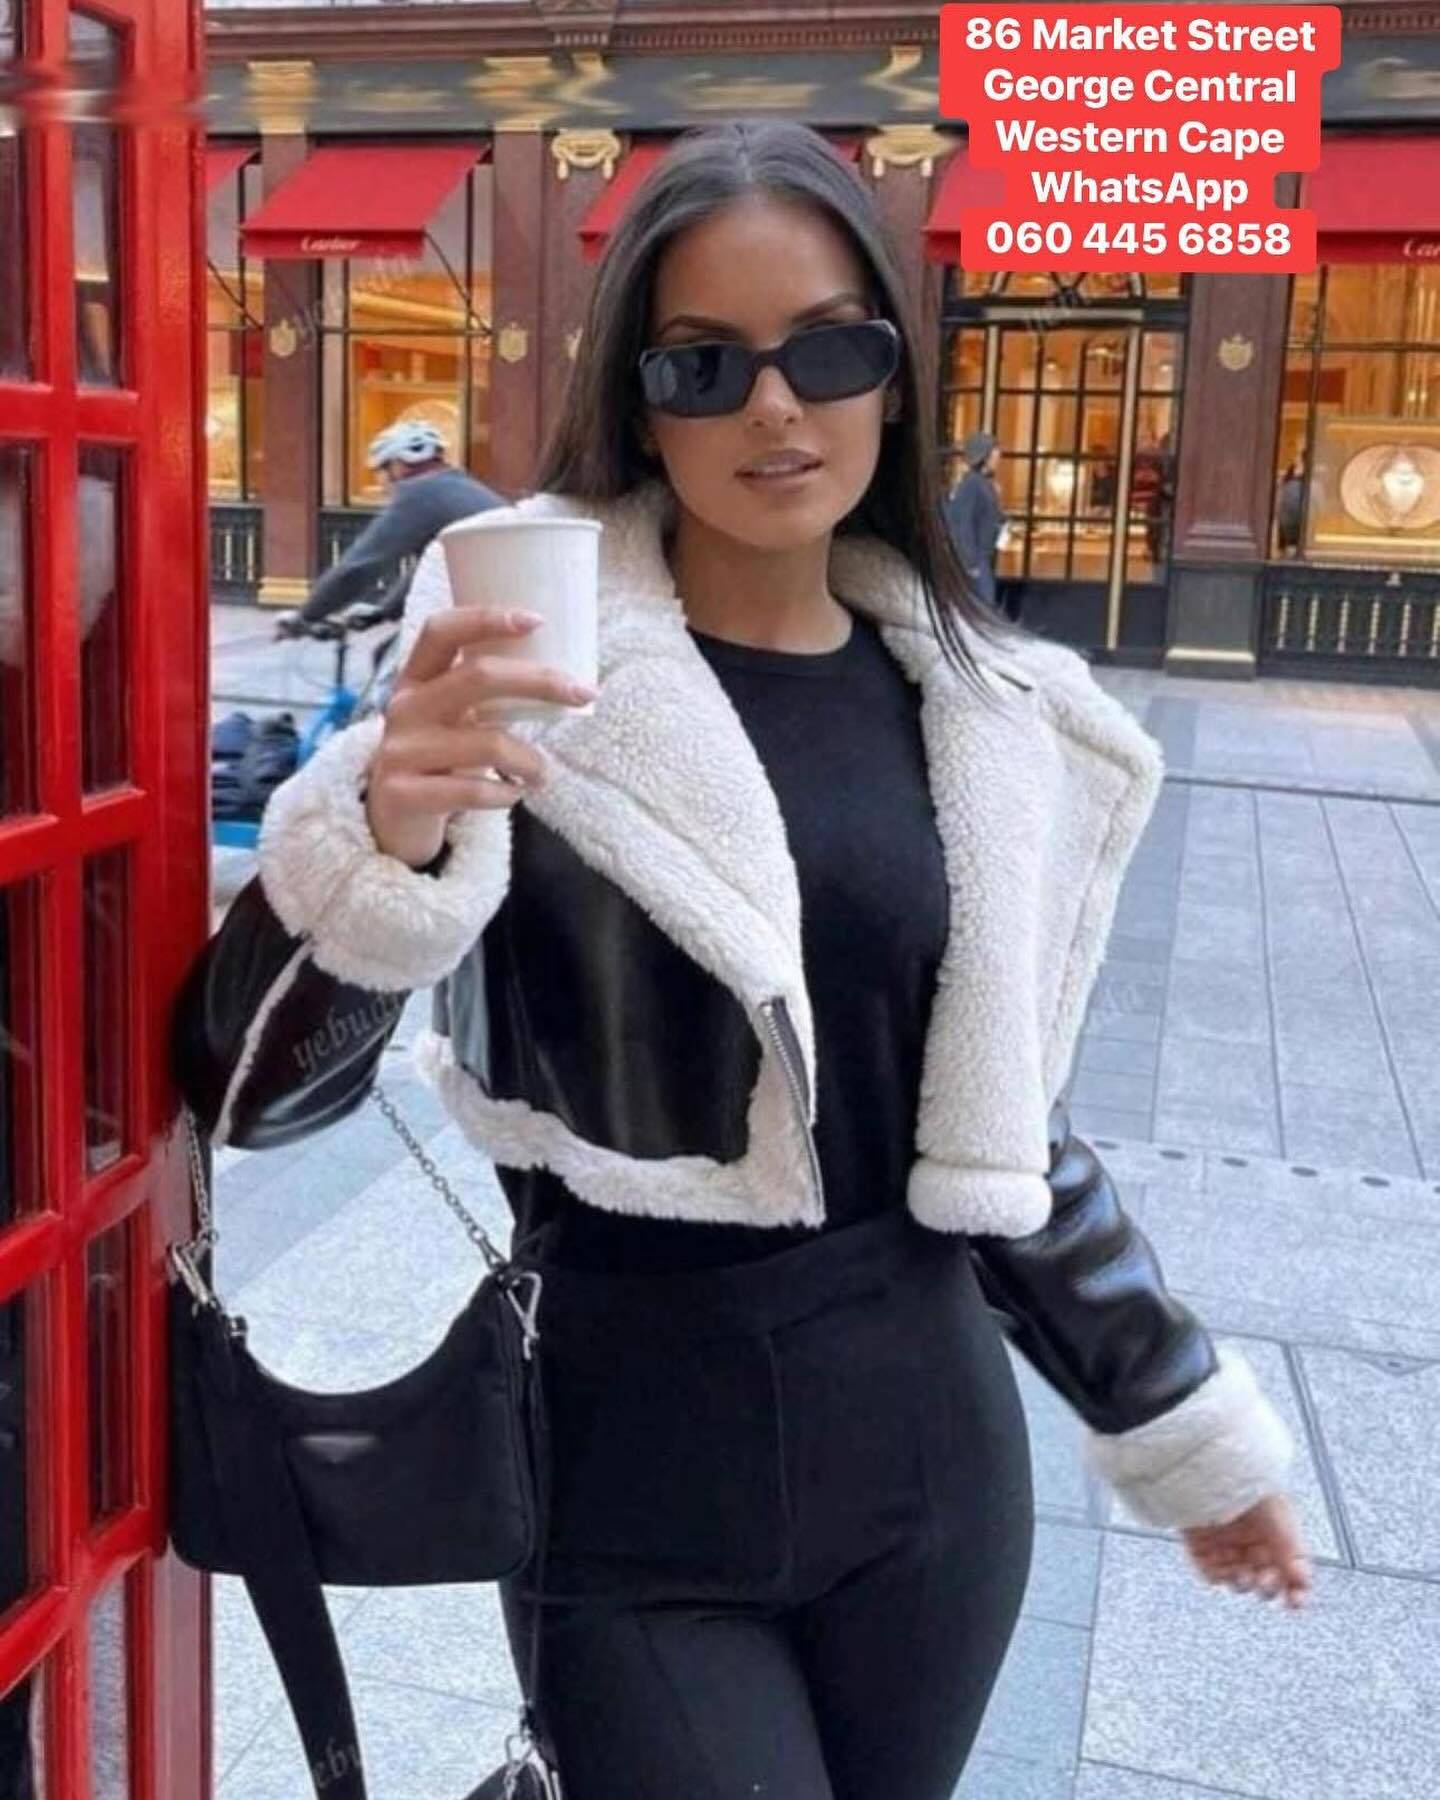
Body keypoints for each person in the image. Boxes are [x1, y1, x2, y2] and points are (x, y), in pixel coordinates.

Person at [170, 121, 1310, 1800]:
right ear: (642, 404)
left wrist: (1178, 1415)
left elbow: (997, 1132)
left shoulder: (985, 720)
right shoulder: (527, 695)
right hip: (629, 1465)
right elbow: (249, 1099)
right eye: (706, 365)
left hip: (930, 1481)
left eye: (829, 352)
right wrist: (385, 845)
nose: (777, 409)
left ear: (894, 381)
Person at [273, 420, 503, 637]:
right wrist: (385, 611)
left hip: (489, 606)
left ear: (399, 464)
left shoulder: (420, 493)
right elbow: (428, 568)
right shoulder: (459, 486)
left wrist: (306, 616)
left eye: (384, 468)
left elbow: (360, 567)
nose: (383, 478)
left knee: (404, 659)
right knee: (390, 652)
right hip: (503, 599)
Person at [943, 427, 1006, 612]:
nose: (998, 457)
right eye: (994, 453)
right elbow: (962, 524)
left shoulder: (985, 483)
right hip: (975, 561)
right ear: (983, 456)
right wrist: (970, 563)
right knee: (982, 608)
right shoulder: (971, 484)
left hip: (984, 558)